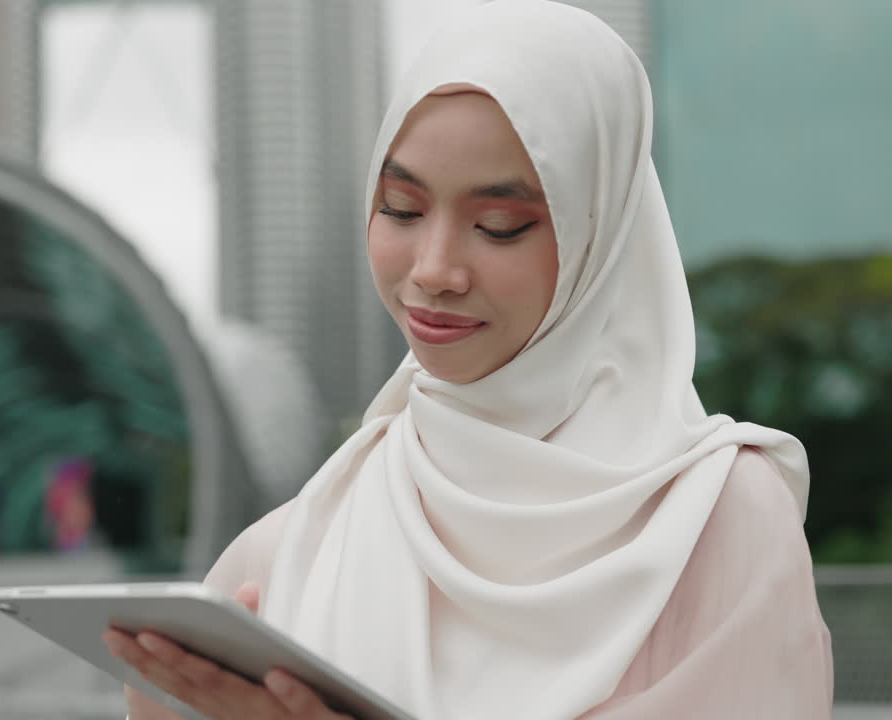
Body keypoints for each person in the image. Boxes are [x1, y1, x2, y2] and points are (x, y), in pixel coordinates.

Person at [103, 1, 834, 718]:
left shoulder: (719, 520)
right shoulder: (305, 537)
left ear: (599, 238)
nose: (434, 269)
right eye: (401, 208)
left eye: (498, 225)